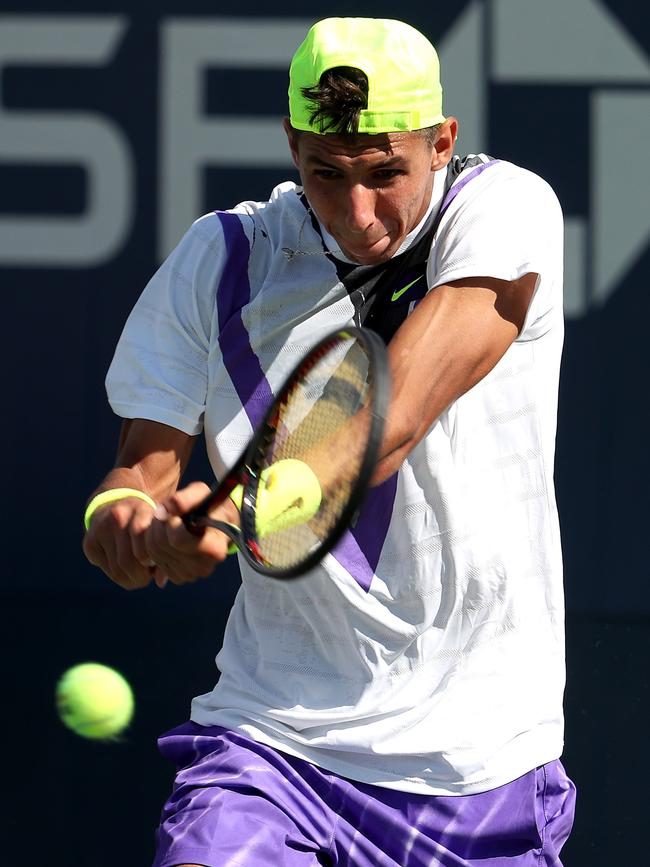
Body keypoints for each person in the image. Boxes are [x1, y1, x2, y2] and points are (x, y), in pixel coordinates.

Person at [83, 16, 576, 867]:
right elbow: (141, 468)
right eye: (325, 173)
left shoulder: (503, 210)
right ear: (292, 145)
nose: (357, 211)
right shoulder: (225, 256)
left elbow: (394, 414)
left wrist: (235, 506)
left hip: (479, 764)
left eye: (386, 173)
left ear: (441, 141)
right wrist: (125, 520)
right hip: (275, 740)